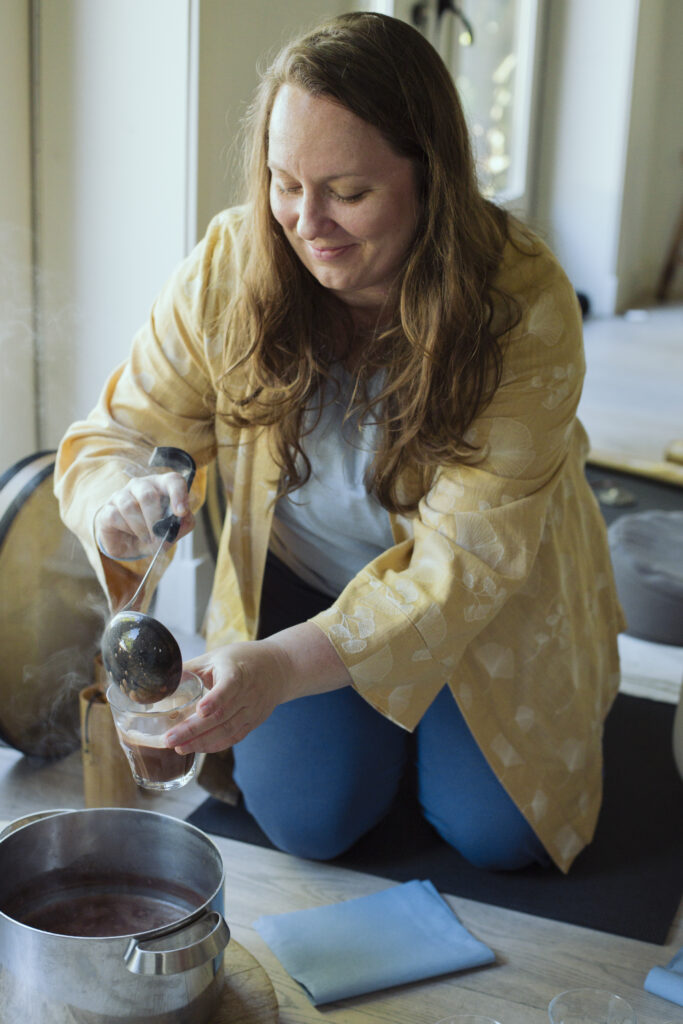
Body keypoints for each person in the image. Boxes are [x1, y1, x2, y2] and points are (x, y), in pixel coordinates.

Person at [55, 11, 624, 874]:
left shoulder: (523, 305)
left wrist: (280, 674)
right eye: (285, 182)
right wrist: (119, 504)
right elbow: (120, 433)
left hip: (483, 599)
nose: (304, 222)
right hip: (311, 585)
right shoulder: (230, 264)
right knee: (309, 823)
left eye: (348, 193)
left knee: (499, 837)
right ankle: (375, 722)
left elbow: (460, 567)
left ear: (431, 180)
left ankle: (461, 720)